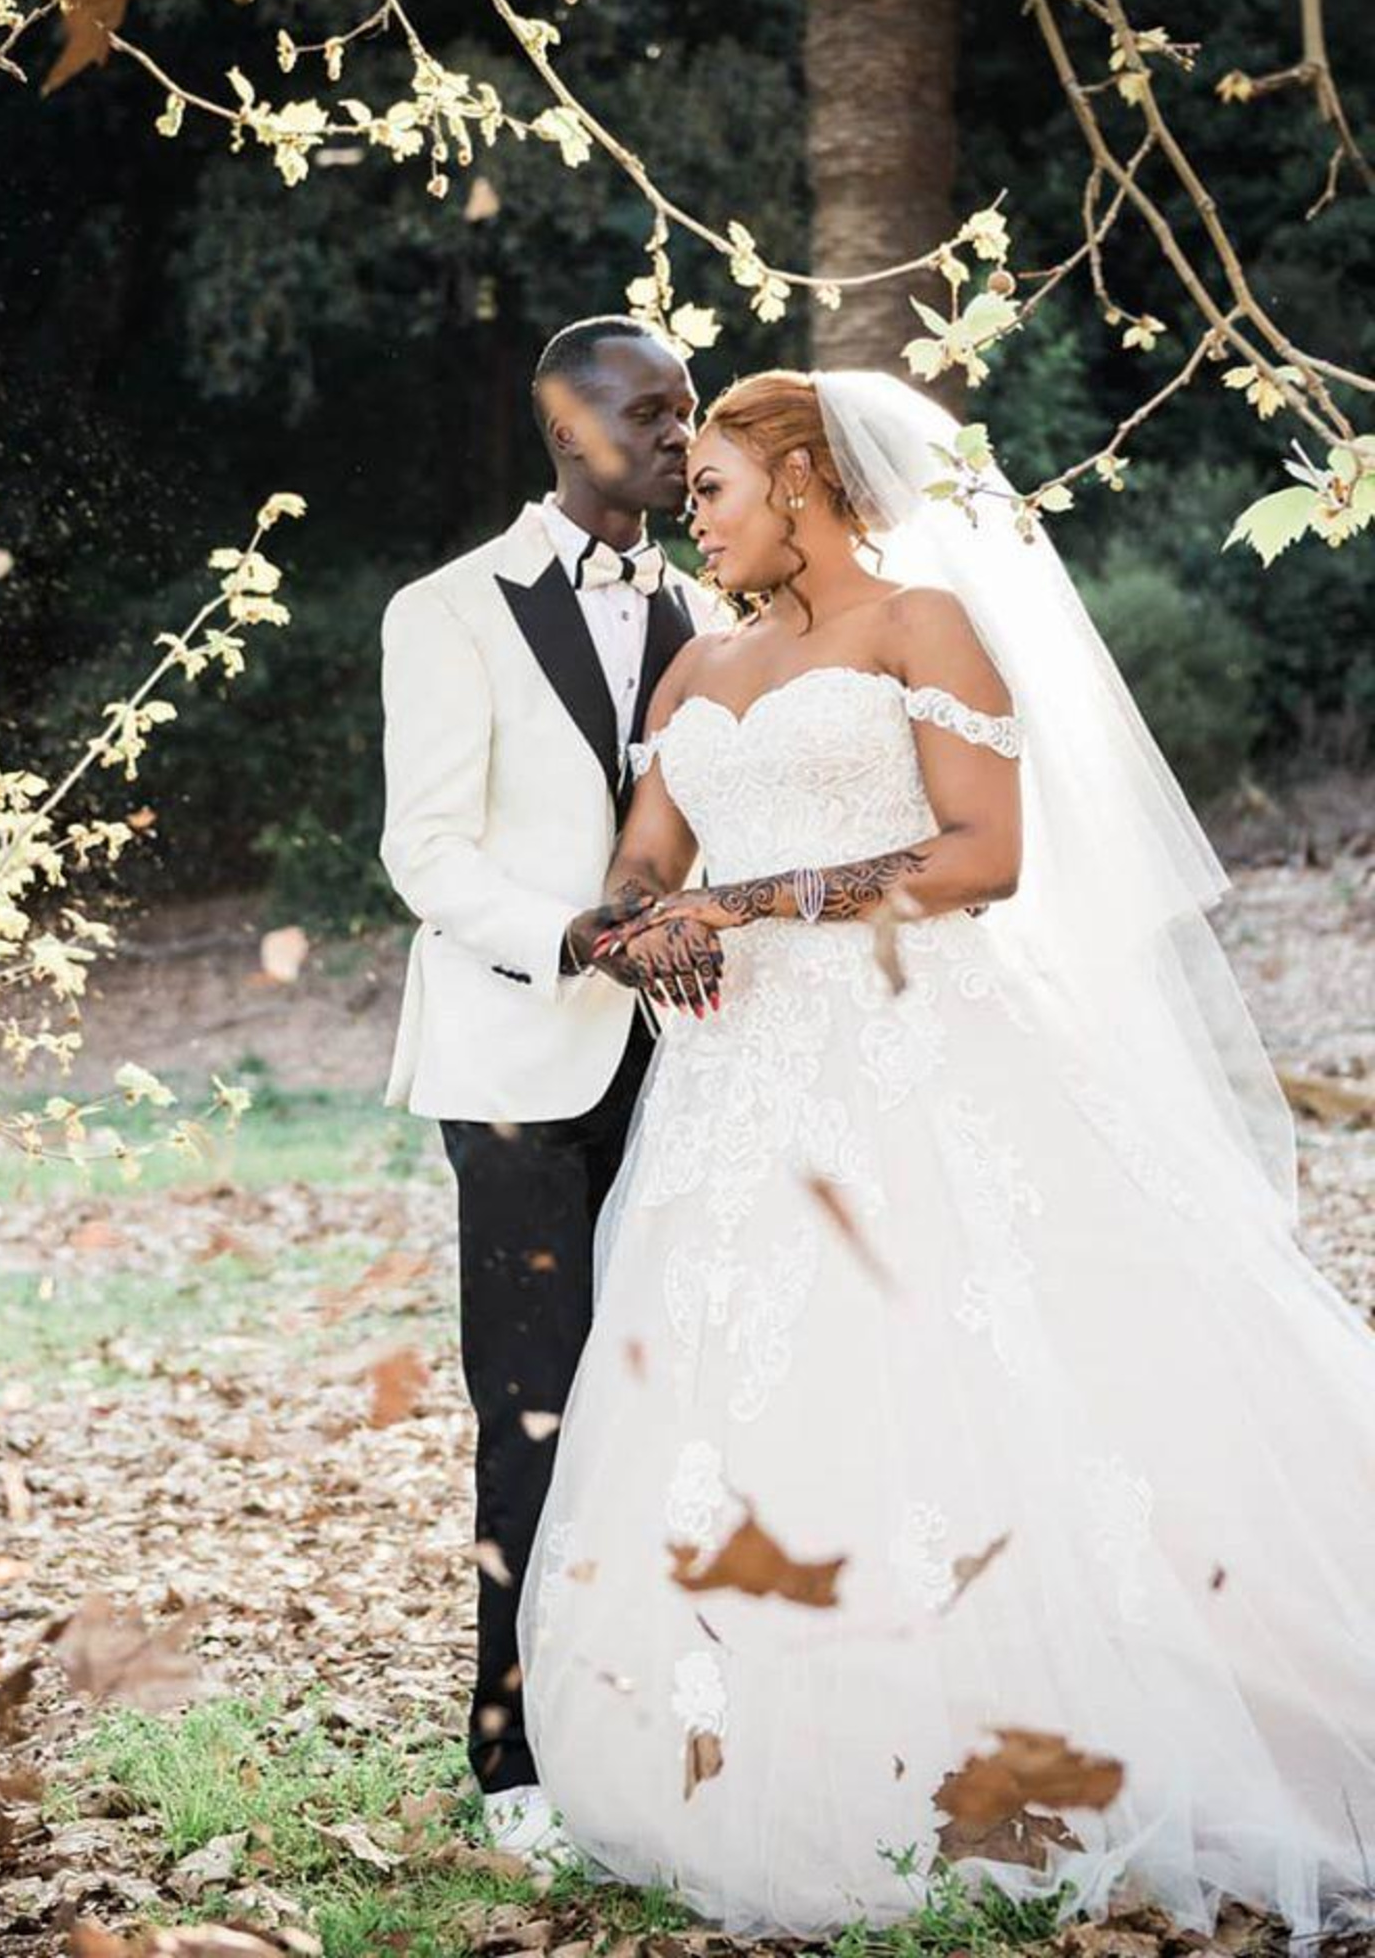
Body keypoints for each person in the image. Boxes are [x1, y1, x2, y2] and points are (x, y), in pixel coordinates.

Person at [515, 367, 1375, 1942]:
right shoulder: (693, 672)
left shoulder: (919, 628)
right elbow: (647, 861)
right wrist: (638, 932)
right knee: (751, 1399)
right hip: (735, 1092)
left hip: (920, 1051)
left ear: (801, 480)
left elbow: (988, 854)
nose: (686, 510)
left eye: (710, 484)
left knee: (975, 1369)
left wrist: (755, 905)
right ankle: (762, 1752)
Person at [377, 315, 723, 1864]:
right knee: (533, 1412)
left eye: (689, 409)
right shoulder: (444, 613)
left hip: (703, 1068)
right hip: (519, 1062)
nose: (677, 435)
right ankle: (512, 1757)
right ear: (566, 432)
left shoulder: (710, 613)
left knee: (684, 1405)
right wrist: (574, 935)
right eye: (648, 412)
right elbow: (426, 852)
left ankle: (667, 1722)